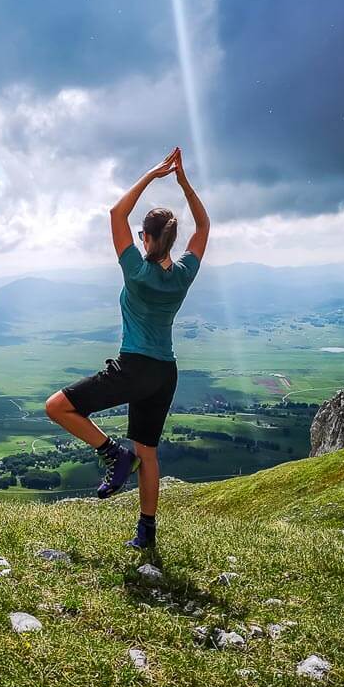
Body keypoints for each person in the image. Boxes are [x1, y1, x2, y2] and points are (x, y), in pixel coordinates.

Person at [45, 146, 210, 549]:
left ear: (149, 239)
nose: (137, 238)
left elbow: (115, 213)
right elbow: (204, 228)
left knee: (57, 406)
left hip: (134, 367)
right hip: (165, 373)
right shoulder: (184, 274)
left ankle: (112, 454)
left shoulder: (136, 271)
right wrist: (184, 183)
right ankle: (146, 533)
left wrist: (153, 174)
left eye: (141, 235)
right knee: (148, 453)